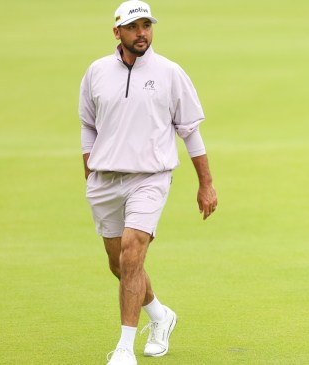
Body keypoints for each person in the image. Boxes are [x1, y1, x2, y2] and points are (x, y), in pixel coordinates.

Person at [78, 1, 217, 364]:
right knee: (119, 266)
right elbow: (88, 126)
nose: (142, 33)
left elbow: (190, 132)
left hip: (150, 179)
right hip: (105, 180)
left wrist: (206, 184)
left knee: (132, 256)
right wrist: (89, 173)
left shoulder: (170, 73)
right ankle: (159, 315)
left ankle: (124, 349)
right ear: (117, 32)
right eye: (133, 26)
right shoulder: (96, 72)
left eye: (147, 25)